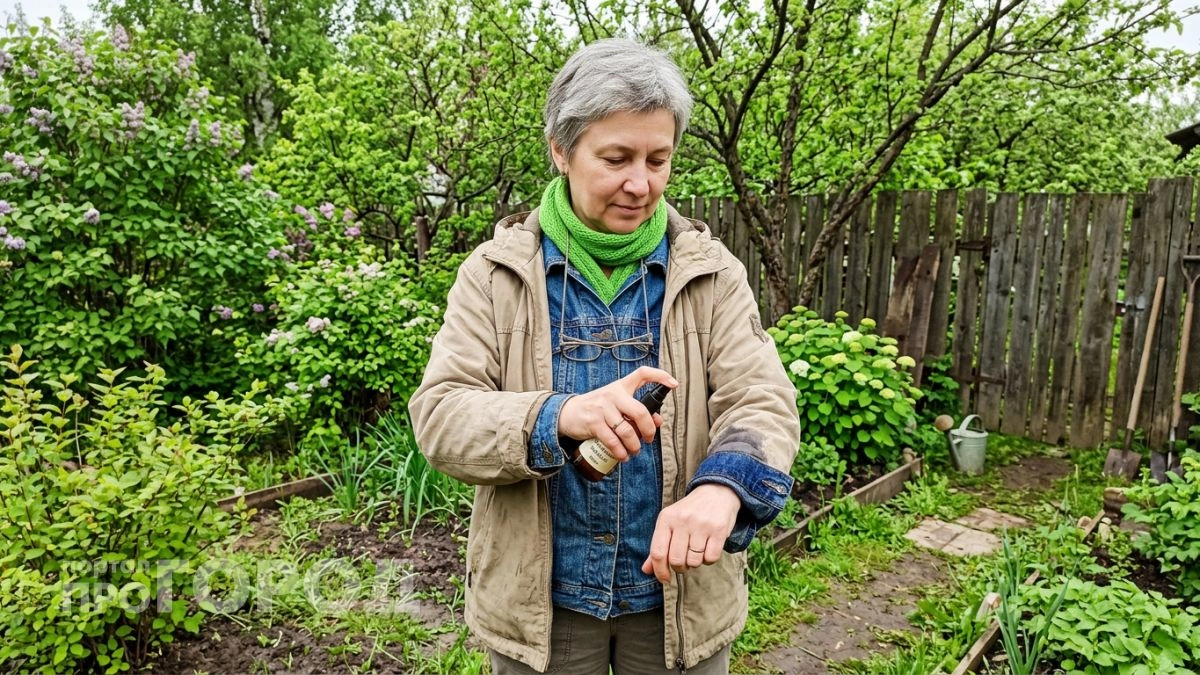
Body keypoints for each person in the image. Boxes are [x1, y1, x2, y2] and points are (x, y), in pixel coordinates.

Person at [409, 37, 801, 675]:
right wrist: (557, 416)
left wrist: (725, 487)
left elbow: (762, 401)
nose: (640, 184)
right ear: (561, 150)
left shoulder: (711, 272)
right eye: (616, 157)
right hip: (544, 612)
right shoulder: (495, 273)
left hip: (678, 604)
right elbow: (441, 416)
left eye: (658, 159)